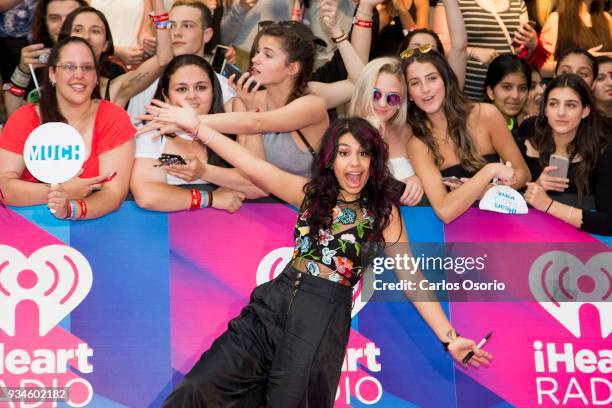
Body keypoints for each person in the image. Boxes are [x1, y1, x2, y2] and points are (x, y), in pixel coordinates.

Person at [138, 115, 491, 406]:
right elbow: (251, 165)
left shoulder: (383, 214)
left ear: (374, 160)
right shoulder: (309, 195)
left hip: (320, 321)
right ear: (330, 160)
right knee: (196, 392)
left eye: (363, 153)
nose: (354, 162)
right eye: (344, 153)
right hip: (269, 309)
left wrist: (450, 338)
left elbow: (412, 279)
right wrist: (198, 127)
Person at [140, 21, 331, 180]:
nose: (255, 59)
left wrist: (184, 121)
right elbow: (250, 171)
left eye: (267, 54)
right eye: (257, 51)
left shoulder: (313, 105)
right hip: (259, 207)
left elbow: (256, 122)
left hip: (303, 209)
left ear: (292, 68)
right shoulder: (246, 99)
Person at [0, 36, 135, 219]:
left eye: (87, 67)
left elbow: (113, 193)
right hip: (28, 233)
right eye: (69, 67)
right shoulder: (25, 119)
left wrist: (69, 209)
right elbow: (4, 187)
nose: (79, 75)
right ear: (52, 74)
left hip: (97, 233)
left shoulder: (113, 118)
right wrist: (59, 192)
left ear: (96, 77)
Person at [402, 47, 530, 223]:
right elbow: (445, 210)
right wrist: (489, 171)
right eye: (415, 83)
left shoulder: (486, 114)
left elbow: (523, 174)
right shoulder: (417, 144)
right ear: (408, 94)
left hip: (507, 224)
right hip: (461, 237)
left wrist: (489, 190)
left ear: (445, 80)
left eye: (432, 79)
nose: (425, 89)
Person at [131, 54, 253, 212]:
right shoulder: (151, 133)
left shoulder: (233, 128)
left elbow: (258, 185)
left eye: (201, 87)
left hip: (231, 229)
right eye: (181, 89)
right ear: (166, 96)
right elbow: (147, 195)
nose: (192, 96)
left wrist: (204, 172)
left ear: (213, 92)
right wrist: (210, 198)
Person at [523, 74, 611, 236]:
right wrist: (538, 185)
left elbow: (608, 223)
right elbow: (505, 204)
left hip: (584, 252)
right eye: (553, 104)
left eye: (571, 105)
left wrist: (549, 205)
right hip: (530, 239)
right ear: (545, 109)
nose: (561, 112)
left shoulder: (603, 152)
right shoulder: (526, 139)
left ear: (585, 111)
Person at [127, 0, 235, 123]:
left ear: (207, 34)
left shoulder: (225, 87)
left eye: (187, 25)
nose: (177, 33)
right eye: (171, 26)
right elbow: (133, 129)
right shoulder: (148, 81)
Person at [58, 1, 172, 108]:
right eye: (78, 30)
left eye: (95, 31)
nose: (86, 36)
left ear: (106, 45)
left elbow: (164, 59)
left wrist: (158, 4)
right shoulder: (48, 87)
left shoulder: (115, 90)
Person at [348, 57, 424, 205]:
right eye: (375, 94)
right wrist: (371, 139)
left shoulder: (413, 132)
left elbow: (439, 179)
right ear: (363, 92)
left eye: (392, 98)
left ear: (400, 103)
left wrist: (420, 181)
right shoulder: (342, 134)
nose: (382, 104)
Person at [433, 0, 538, 100]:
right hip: (468, 93)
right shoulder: (453, 2)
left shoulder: (518, 3)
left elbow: (521, 53)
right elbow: (439, 48)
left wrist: (532, 44)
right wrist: (473, 52)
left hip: (506, 96)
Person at [3, 0, 87, 117]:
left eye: (71, 17)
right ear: (45, 23)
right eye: (54, 18)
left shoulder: (106, 65)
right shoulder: (35, 62)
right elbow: (12, 115)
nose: (63, 25)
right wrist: (23, 72)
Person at [539, 0, 612, 78]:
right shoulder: (556, 19)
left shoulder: (607, 18)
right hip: (575, 87)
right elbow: (542, 68)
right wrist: (581, 60)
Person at [484, 54, 531, 137]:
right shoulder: (480, 128)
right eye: (507, 87)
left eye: (522, 88)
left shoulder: (516, 124)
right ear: (490, 91)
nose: (515, 96)